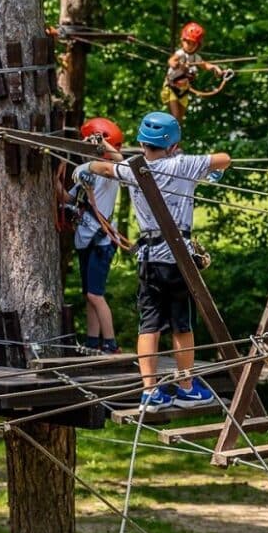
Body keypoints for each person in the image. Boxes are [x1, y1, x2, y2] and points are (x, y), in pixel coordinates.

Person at [73, 111, 230, 411]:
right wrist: (211, 171)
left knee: (149, 325)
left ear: (143, 143)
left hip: (149, 259)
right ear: (173, 145)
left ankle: (150, 391)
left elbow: (106, 167)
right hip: (178, 259)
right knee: (181, 325)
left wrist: (86, 166)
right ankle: (186, 387)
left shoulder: (133, 169)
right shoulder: (184, 164)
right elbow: (224, 159)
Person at [69, 116, 125, 354]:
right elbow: (68, 197)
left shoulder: (108, 173)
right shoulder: (84, 175)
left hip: (102, 241)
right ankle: (92, 341)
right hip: (87, 240)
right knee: (89, 295)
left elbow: (120, 160)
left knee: (95, 294)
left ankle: (110, 343)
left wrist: (101, 143)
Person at [160, 22, 226, 122]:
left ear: (198, 45)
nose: (190, 46)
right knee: (175, 117)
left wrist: (215, 67)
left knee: (179, 119)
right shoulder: (180, 53)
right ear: (182, 41)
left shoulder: (196, 57)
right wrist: (178, 65)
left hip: (183, 90)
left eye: (193, 43)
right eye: (188, 42)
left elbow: (205, 65)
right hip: (171, 88)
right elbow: (171, 61)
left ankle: (175, 131)